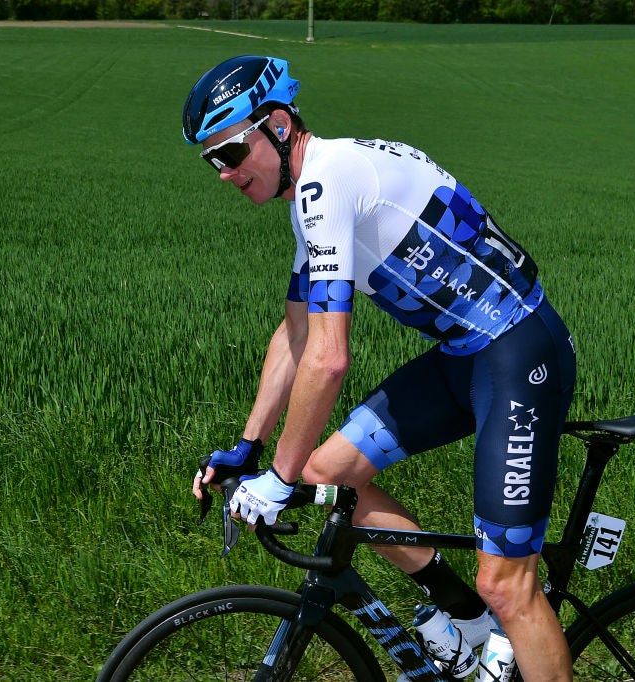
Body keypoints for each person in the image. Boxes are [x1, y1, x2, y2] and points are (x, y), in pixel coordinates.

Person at [185, 55, 577, 682]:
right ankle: (470, 625)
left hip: (518, 353)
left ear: (280, 127)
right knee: (330, 473)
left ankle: (497, 617)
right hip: (464, 357)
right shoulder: (312, 198)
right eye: (213, 162)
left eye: (230, 153)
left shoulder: (328, 179)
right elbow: (294, 335)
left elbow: (328, 356)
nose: (225, 174)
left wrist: (279, 480)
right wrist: (249, 446)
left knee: (509, 585)